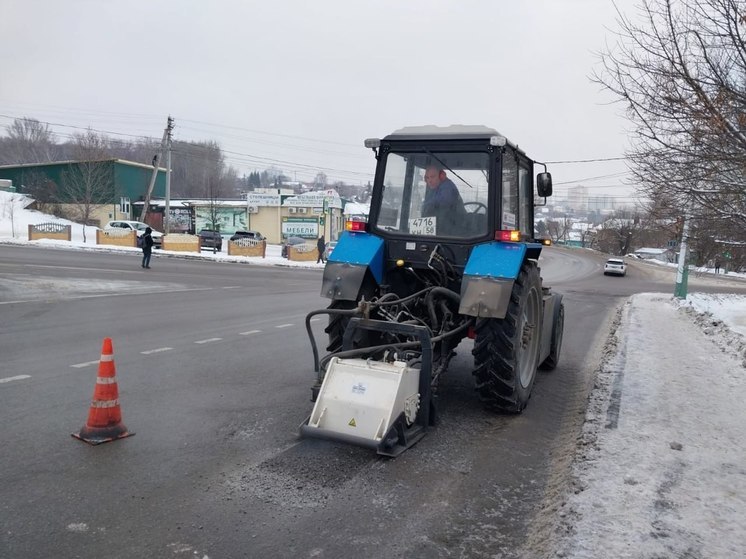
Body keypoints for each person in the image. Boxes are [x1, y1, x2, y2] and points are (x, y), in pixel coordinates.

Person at [421, 165, 466, 235]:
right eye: (427, 178)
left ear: (442, 176)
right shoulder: (435, 189)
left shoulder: (447, 187)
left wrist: (425, 205)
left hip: (453, 230)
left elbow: (441, 201)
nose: (429, 180)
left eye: (432, 177)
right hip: (444, 227)